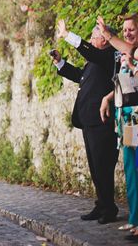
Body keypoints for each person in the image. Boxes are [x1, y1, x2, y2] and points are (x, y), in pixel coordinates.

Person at [54, 19, 118, 224]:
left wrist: (67, 34)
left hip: (102, 121)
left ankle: (109, 209)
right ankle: (102, 205)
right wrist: (60, 63)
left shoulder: (108, 57)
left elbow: (89, 52)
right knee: (95, 167)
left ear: (106, 41)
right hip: (89, 120)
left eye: (94, 37)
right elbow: (80, 76)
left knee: (103, 166)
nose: (91, 40)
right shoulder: (95, 60)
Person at [97, 14, 138, 239]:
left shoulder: (135, 54)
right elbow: (126, 85)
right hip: (128, 121)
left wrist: (107, 34)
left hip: (137, 119)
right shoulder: (129, 55)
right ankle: (134, 219)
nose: (127, 33)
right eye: (124, 30)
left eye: (131, 29)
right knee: (131, 170)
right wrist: (108, 98)